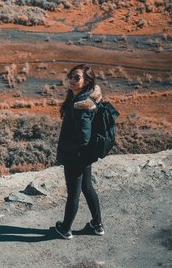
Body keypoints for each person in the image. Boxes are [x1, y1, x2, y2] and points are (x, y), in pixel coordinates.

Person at [55, 64, 104, 239]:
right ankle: (97, 225)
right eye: (70, 76)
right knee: (87, 187)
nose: (72, 80)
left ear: (87, 81)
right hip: (85, 155)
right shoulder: (83, 98)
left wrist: (68, 149)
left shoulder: (81, 105)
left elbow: (84, 136)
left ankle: (65, 229)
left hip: (76, 156)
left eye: (77, 77)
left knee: (73, 193)